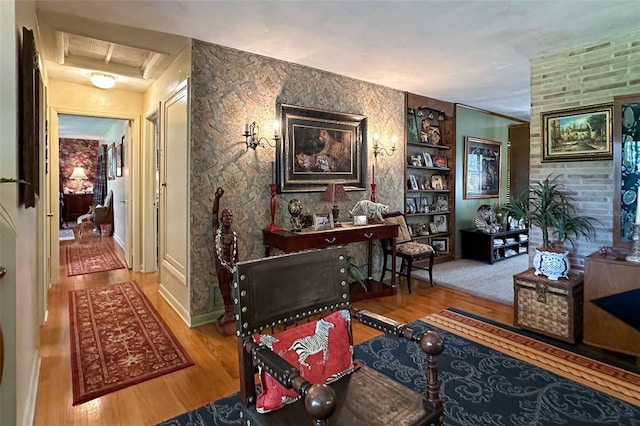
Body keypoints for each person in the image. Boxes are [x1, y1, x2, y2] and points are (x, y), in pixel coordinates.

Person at [212, 187, 237, 327]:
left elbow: (236, 253)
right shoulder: (216, 231)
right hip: (221, 266)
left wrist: (234, 266)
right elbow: (214, 213)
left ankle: (231, 312)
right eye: (226, 216)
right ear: (222, 219)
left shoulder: (233, 235)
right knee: (224, 289)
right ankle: (228, 312)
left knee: (232, 288)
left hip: (231, 267)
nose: (229, 218)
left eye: (231, 216)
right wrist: (217, 197)